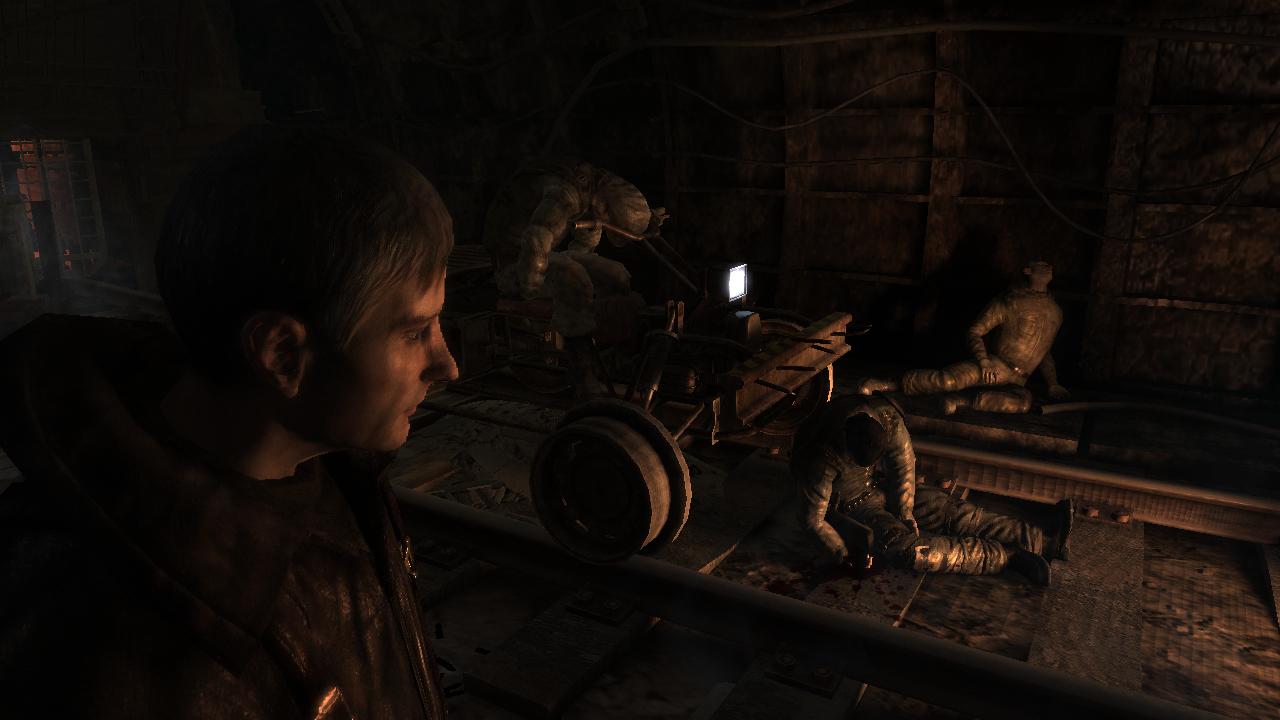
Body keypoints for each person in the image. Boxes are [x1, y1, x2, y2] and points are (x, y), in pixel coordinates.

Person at [0, 126, 458, 718]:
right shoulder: (107, 646)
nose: (447, 365)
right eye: (415, 332)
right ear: (282, 356)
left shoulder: (339, 469)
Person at [791, 394, 1073, 585]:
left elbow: (902, 465)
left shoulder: (886, 418)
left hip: (881, 484)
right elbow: (813, 521)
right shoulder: (820, 456)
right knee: (909, 550)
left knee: (949, 510)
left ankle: (1041, 540)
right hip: (854, 507)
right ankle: (1005, 558)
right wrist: (841, 554)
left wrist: (904, 512)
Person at [482, 158, 660, 397]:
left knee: (616, 274)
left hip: (543, 252)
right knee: (573, 278)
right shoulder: (563, 195)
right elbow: (536, 240)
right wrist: (531, 293)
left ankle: (612, 354)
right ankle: (582, 370)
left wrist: (592, 272)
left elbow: (583, 247)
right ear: (605, 207)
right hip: (516, 261)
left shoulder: (592, 196)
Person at [860, 260, 1069, 414]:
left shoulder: (1055, 311)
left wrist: (1053, 383)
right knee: (948, 380)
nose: (1047, 267)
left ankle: (959, 403)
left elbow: (1044, 351)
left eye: (1048, 265)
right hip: (997, 366)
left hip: (1019, 380)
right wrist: (984, 361)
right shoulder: (1009, 302)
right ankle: (890, 384)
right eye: (1041, 265)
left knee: (1021, 404)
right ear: (1027, 271)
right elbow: (975, 331)